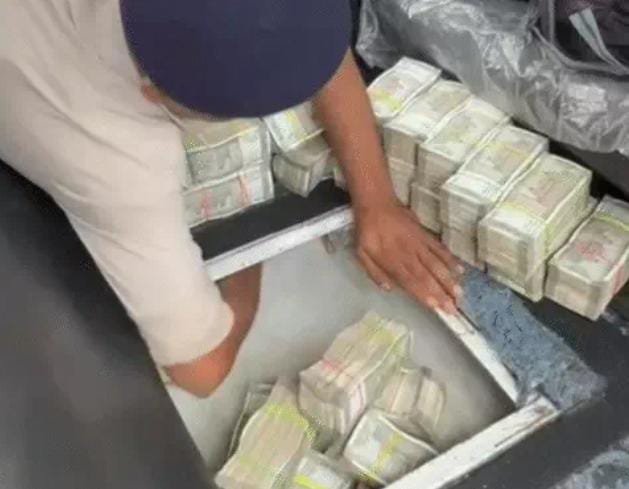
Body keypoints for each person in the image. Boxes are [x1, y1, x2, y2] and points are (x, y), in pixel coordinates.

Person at [0, 0, 462, 397]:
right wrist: (247, 269)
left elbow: (292, 26)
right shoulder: (115, 164)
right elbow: (202, 371)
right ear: (157, 95)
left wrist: (376, 199)